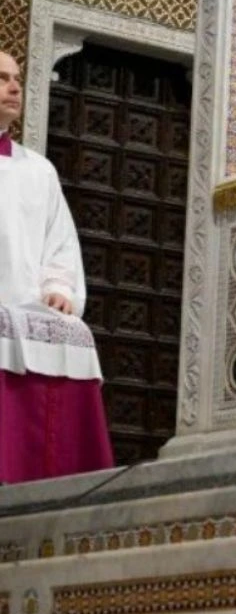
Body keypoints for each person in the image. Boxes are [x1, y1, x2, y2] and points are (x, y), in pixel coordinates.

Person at [0, 50, 114, 483]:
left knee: (73, 334)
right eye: (2, 78)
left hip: (24, 310)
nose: (15, 87)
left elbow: (59, 243)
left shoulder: (38, 171)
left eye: (17, 78)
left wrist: (59, 289)